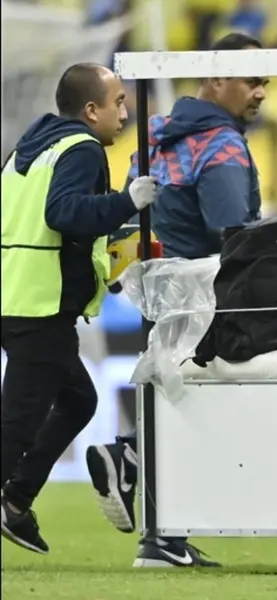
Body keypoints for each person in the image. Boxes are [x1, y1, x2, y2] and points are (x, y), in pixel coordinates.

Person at [83, 31, 268, 568]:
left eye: (266, 83)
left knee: (176, 403)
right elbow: (232, 231)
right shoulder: (223, 146)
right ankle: (130, 454)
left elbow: (137, 210)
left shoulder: (154, 134)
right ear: (215, 79)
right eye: (252, 81)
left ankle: (161, 539)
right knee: (217, 407)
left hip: (156, 286)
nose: (260, 93)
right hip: (208, 295)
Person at [0, 63, 157, 554]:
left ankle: (16, 502)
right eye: (119, 103)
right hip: (40, 307)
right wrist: (124, 203)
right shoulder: (83, 149)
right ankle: (12, 498)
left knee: (77, 401)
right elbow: (63, 213)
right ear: (91, 110)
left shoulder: (32, 146)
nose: (125, 113)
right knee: (18, 423)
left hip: (15, 294)